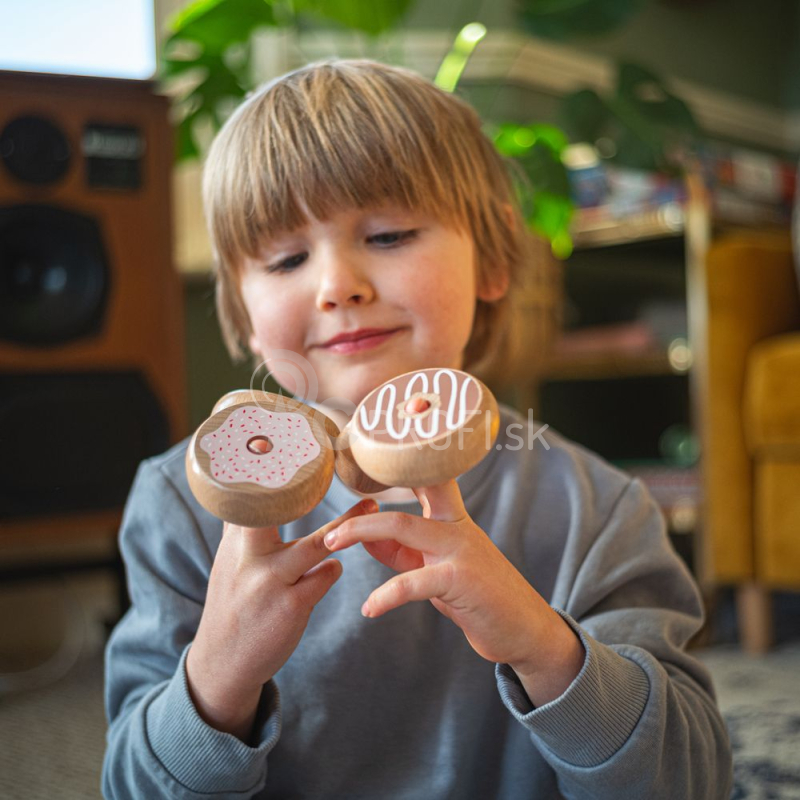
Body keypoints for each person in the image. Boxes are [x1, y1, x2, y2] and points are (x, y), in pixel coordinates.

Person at [103, 59, 733, 799]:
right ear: (241, 314)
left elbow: (690, 781)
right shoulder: (178, 504)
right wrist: (217, 676)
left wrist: (546, 649)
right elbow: (131, 787)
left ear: (494, 258)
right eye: (287, 258)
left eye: (392, 234)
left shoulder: (596, 510)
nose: (338, 285)